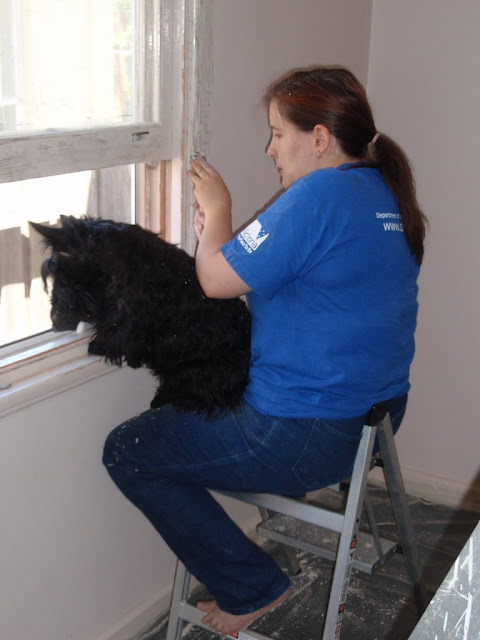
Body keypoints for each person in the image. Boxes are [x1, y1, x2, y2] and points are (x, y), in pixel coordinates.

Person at [103, 66, 427, 637]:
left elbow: (215, 281)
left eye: (278, 133)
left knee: (128, 450)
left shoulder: (316, 196)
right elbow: (294, 272)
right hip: (374, 423)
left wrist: (217, 212)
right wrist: (220, 239)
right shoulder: (380, 190)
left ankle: (251, 586)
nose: (270, 148)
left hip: (303, 434)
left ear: (320, 138)